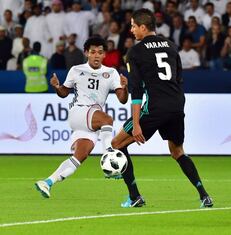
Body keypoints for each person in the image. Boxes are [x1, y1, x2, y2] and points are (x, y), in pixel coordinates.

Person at [111, 8, 213, 208]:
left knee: (117, 144)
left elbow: (137, 91)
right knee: (177, 151)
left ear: (143, 27)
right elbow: (179, 78)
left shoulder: (135, 52)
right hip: (176, 103)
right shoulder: (172, 46)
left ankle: (135, 197)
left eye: (133, 26)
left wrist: (137, 123)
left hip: (156, 106)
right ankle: (204, 195)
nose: (131, 30)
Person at [34, 36, 128, 198]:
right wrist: (57, 86)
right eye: (93, 52)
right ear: (86, 53)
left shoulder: (111, 73)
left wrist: (125, 87)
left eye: (100, 52)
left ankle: (47, 182)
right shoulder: (76, 70)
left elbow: (122, 99)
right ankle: (108, 158)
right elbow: (64, 93)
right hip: (79, 111)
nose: (96, 55)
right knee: (107, 120)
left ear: (104, 54)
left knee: (79, 158)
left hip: (91, 119)